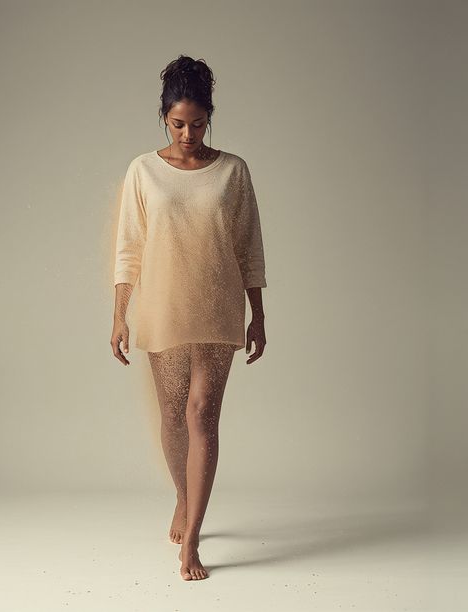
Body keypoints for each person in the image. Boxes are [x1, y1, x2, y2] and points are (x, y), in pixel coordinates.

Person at [109, 55, 268, 581]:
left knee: (203, 415)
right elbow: (129, 247)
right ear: (164, 118)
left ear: (209, 119)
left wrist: (258, 315)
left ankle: (193, 538)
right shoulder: (143, 170)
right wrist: (119, 314)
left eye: (198, 124)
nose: (188, 135)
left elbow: (249, 247)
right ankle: (183, 496)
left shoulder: (233, 171)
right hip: (162, 304)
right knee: (174, 416)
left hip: (219, 304)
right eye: (178, 124)